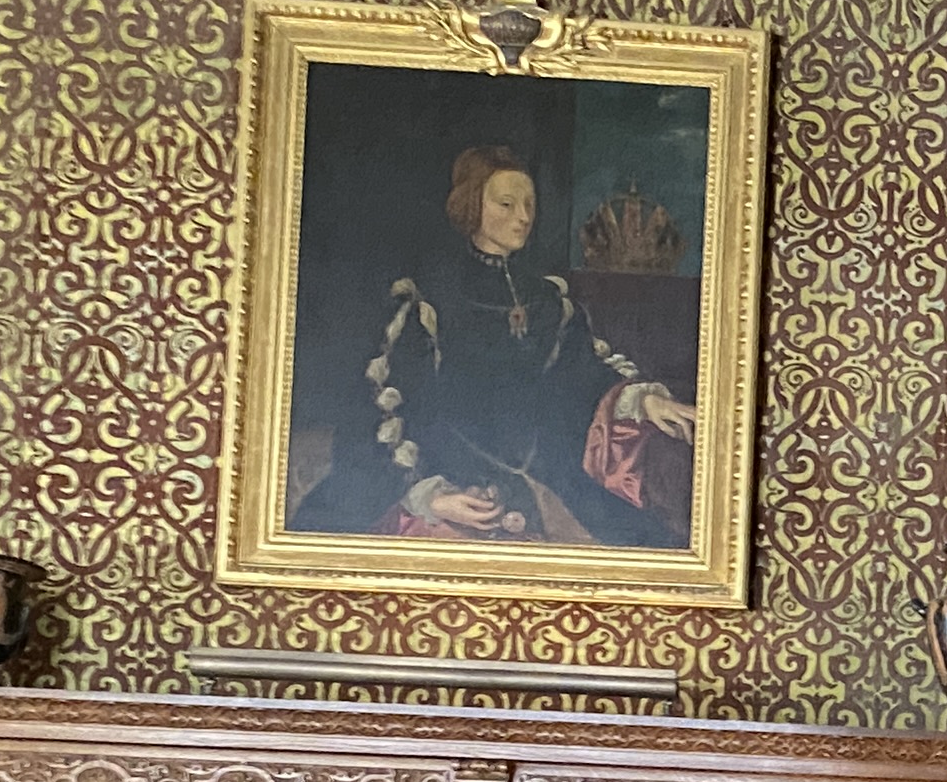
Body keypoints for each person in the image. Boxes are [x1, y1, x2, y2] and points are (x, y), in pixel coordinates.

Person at [294, 143, 696, 548]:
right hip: (448, 470)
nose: (523, 217)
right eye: (506, 204)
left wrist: (643, 400)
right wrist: (431, 496)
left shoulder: (548, 300)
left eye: (529, 205)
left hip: (548, 475)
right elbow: (380, 403)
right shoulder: (429, 299)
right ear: (472, 205)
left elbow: (583, 371)